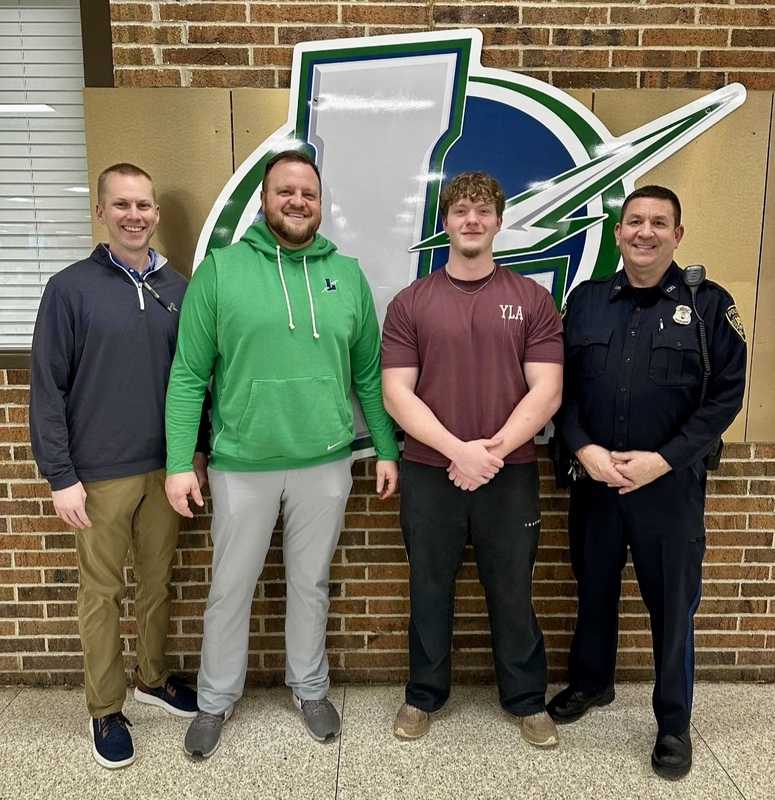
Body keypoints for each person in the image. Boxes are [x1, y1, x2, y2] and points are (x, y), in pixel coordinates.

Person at [164, 149, 399, 759]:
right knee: (229, 588)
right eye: (285, 192)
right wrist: (175, 465)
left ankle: (310, 686)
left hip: (325, 460)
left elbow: (368, 375)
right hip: (241, 463)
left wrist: (385, 448)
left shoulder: (345, 275)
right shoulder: (220, 271)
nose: (297, 202)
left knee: (311, 582)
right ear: (263, 200)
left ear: (320, 205)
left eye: (309, 194)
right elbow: (189, 375)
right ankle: (215, 699)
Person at [547, 185, 747, 779]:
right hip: (597, 482)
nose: (645, 232)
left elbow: (725, 397)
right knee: (595, 589)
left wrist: (665, 460)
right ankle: (591, 683)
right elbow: (561, 391)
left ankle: (673, 723)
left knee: (672, 608)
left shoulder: (709, 305)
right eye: (634, 221)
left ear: (677, 235)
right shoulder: (583, 302)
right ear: (617, 233)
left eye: (659, 222)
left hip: (670, 488)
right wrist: (583, 448)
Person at [381, 171, 564, 747]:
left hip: (509, 476)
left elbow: (548, 390)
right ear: (444, 220)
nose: (472, 220)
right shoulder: (411, 302)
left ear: (499, 221)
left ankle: (527, 700)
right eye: (460, 210)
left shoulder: (531, 299)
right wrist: (459, 451)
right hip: (431, 473)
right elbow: (396, 393)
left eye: (483, 211)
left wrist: (492, 452)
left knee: (512, 587)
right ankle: (423, 696)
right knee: (428, 586)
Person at [29, 163, 203, 770]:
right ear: (101, 212)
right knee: (102, 592)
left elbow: (197, 380)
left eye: (145, 205)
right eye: (122, 205)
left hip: (167, 469)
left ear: (156, 214)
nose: (135, 215)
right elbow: (47, 388)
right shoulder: (69, 288)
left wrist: (196, 452)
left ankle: (152, 679)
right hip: (97, 473)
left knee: (156, 584)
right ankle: (106, 708)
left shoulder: (179, 288)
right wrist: (60, 476)